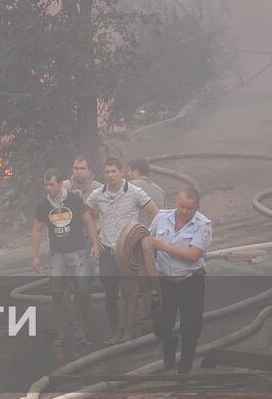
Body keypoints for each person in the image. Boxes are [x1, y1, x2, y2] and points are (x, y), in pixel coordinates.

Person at [86, 158, 158, 342]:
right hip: (107, 248)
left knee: (130, 290)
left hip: (128, 249)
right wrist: (95, 239)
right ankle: (115, 332)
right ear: (104, 174)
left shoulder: (134, 192)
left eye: (114, 171)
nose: (111, 176)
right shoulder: (97, 194)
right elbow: (86, 215)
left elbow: (155, 212)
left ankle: (128, 332)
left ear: (122, 172)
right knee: (110, 293)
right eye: (107, 172)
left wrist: (143, 235)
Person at [31, 168, 100, 348]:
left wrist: (95, 243)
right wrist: (34, 255)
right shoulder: (43, 205)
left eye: (51, 184)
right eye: (46, 184)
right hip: (57, 254)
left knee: (82, 291)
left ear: (60, 183)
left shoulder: (74, 200)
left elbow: (88, 221)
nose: (48, 188)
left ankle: (80, 330)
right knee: (57, 293)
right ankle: (60, 333)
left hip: (77, 251)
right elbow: (37, 230)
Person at [150, 188, 212, 374]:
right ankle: (169, 343)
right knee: (160, 325)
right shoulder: (161, 218)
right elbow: (144, 239)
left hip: (190, 282)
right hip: (165, 282)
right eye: (182, 206)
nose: (185, 212)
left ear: (197, 208)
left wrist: (164, 247)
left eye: (189, 209)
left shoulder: (203, 225)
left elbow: (193, 255)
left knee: (190, 327)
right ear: (176, 202)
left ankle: (185, 366)